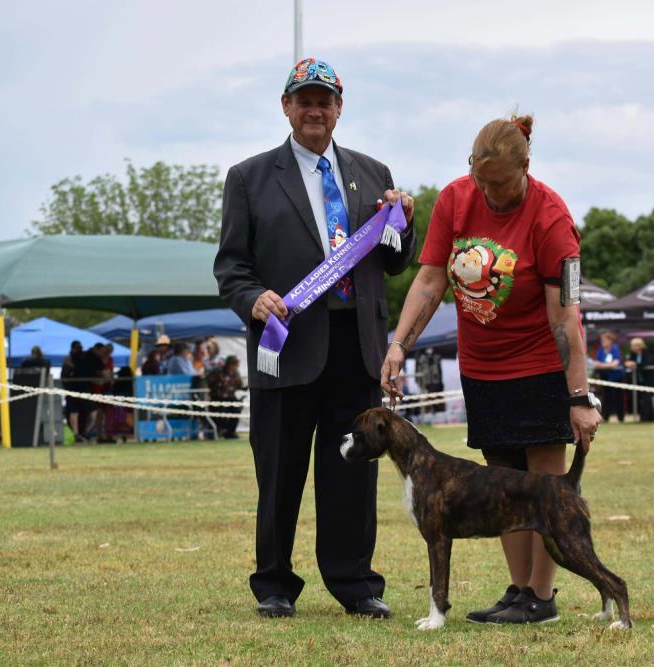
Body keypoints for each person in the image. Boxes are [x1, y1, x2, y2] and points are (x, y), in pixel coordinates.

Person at [213, 56, 417, 620]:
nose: (315, 110)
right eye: (304, 100)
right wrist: (253, 297)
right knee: (279, 473)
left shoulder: (373, 173)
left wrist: (405, 223)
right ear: (286, 106)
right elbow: (231, 267)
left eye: (325, 101)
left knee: (353, 470)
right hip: (286, 345)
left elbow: (395, 262)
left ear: (339, 108)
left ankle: (356, 584)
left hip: (357, 346)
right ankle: (275, 584)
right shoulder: (249, 178)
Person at [381, 113, 601, 625]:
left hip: (539, 366)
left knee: (543, 485)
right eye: (482, 180)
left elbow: (565, 316)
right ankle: (518, 589)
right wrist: (398, 344)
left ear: (526, 166)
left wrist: (577, 396)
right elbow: (430, 281)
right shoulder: (455, 199)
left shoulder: (552, 217)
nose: (490, 193)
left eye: (500, 183)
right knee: (503, 484)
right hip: (482, 368)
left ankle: (541, 597)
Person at [206, 355, 245, 439]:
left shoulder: (236, 373)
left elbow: (239, 385)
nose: (237, 367)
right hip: (217, 398)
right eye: (236, 365)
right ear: (230, 364)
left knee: (237, 409)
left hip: (231, 398)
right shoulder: (218, 371)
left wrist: (245, 388)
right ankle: (224, 430)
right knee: (221, 410)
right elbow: (208, 382)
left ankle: (231, 432)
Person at [593, 330, 626, 423]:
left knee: (618, 397)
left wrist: (603, 365)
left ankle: (621, 418)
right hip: (605, 377)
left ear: (610, 340)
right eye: (602, 340)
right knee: (606, 397)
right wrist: (608, 365)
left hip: (617, 377)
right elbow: (596, 364)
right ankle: (605, 417)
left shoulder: (615, 349)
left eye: (604, 340)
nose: (602, 342)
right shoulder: (600, 350)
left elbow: (615, 364)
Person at [624, 337, 654, 422]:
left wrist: (635, 364)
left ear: (638, 346)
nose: (631, 347)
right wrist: (628, 363)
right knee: (641, 399)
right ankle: (647, 418)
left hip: (648, 380)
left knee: (647, 399)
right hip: (638, 381)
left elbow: (647, 363)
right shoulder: (633, 354)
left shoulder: (646, 353)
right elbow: (628, 362)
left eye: (633, 345)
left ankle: (646, 419)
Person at [61, 340, 83, 436]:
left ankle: (79, 433)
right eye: (77, 348)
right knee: (74, 411)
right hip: (71, 390)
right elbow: (64, 377)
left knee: (79, 412)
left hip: (80, 390)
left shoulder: (81, 358)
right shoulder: (68, 359)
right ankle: (75, 434)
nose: (79, 349)